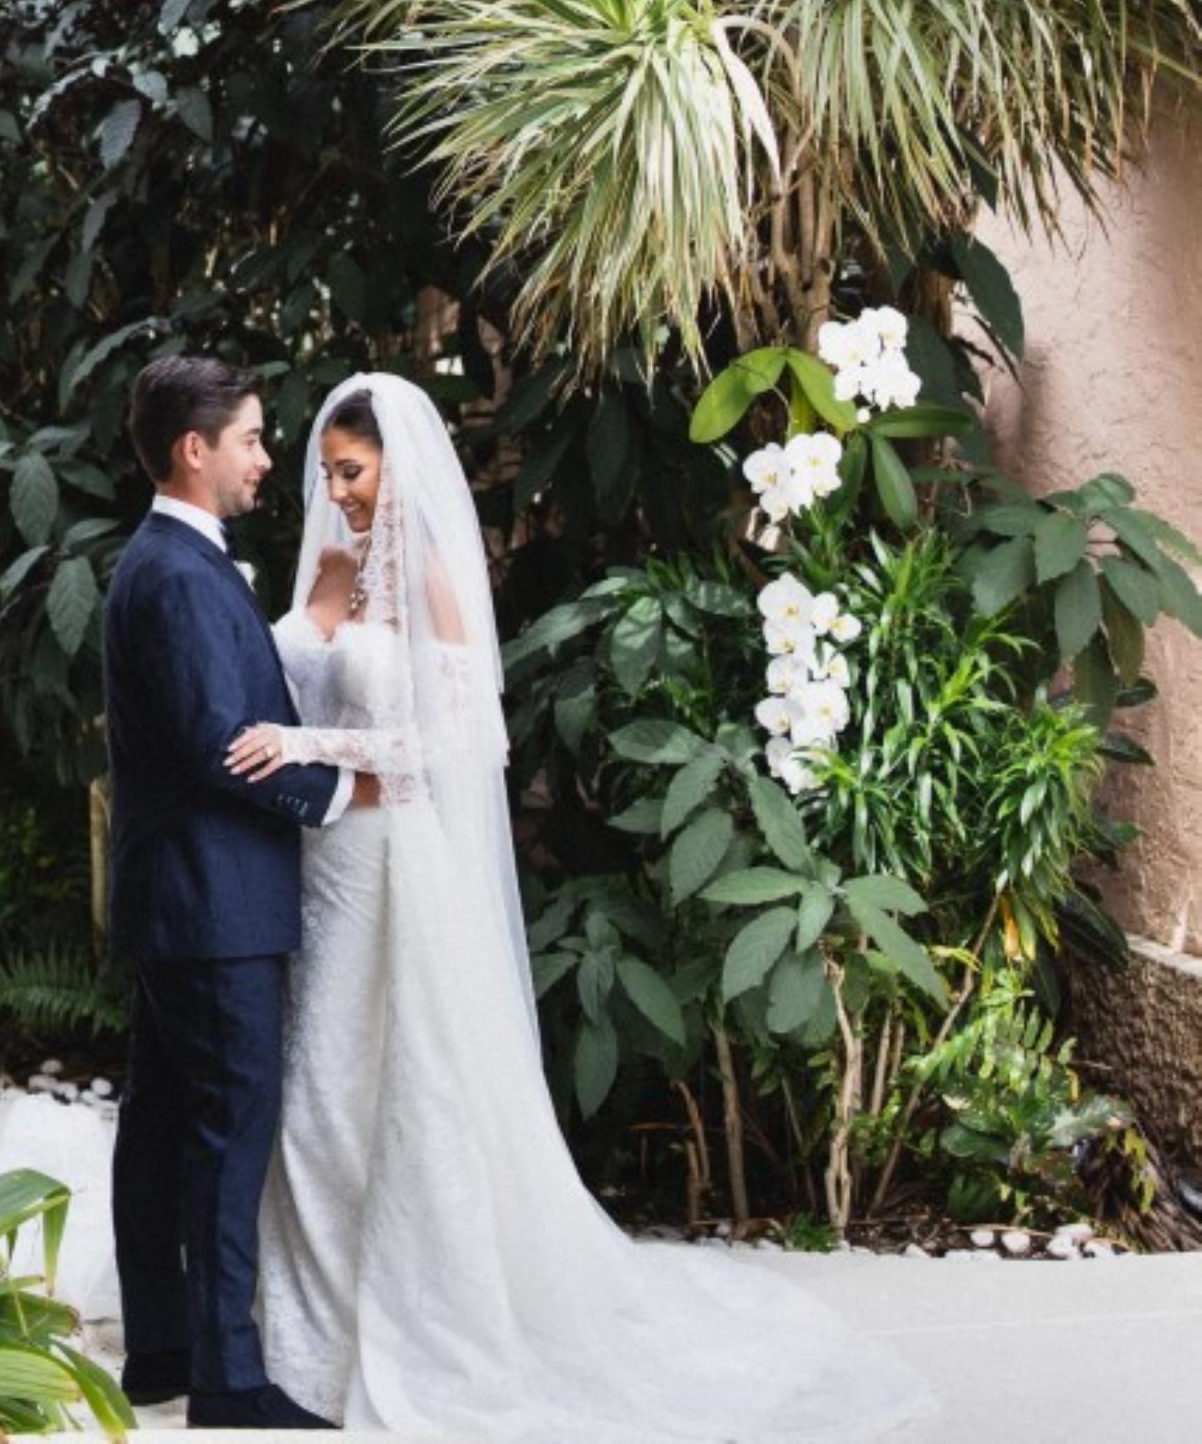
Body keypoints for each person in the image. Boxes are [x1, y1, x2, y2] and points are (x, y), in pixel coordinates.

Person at [226, 371, 934, 1441]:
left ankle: (411, 1324)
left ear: (398, 467)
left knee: (387, 1089)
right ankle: (305, 1337)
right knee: (317, 1094)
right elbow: (289, 681)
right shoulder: (338, 562)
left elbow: (454, 745)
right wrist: (312, 618)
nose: (338, 490)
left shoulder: (431, 577)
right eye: (327, 471)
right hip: (326, 862)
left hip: (396, 873)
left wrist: (311, 744)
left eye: (353, 470)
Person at [103, 353, 379, 1431]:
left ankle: (164, 1348)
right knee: (227, 1131)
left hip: (183, 899)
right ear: (195, 448)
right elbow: (225, 743)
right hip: (213, 904)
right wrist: (348, 789)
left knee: (165, 1122)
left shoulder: (171, 562)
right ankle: (226, 1381)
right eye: (255, 439)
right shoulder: (175, 571)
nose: (270, 459)